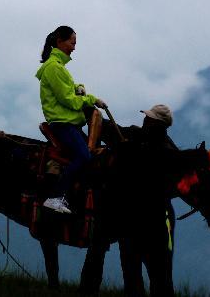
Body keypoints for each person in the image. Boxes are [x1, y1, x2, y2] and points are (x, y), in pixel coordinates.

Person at [78, 104, 180, 296]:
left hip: (130, 217)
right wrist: (89, 108)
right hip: (151, 219)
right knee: (157, 271)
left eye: (149, 118)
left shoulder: (138, 140)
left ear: (155, 122)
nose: (145, 119)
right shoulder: (167, 149)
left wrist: (87, 107)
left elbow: (108, 129)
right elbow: (108, 128)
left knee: (125, 262)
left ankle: (87, 291)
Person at [36, 25, 106, 215]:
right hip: (62, 123)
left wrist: (79, 87)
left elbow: (68, 89)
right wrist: (91, 99)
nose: (74, 47)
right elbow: (67, 100)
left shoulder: (58, 67)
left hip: (68, 123)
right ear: (60, 41)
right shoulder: (53, 68)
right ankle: (56, 197)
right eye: (72, 42)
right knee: (83, 156)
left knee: (93, 158)